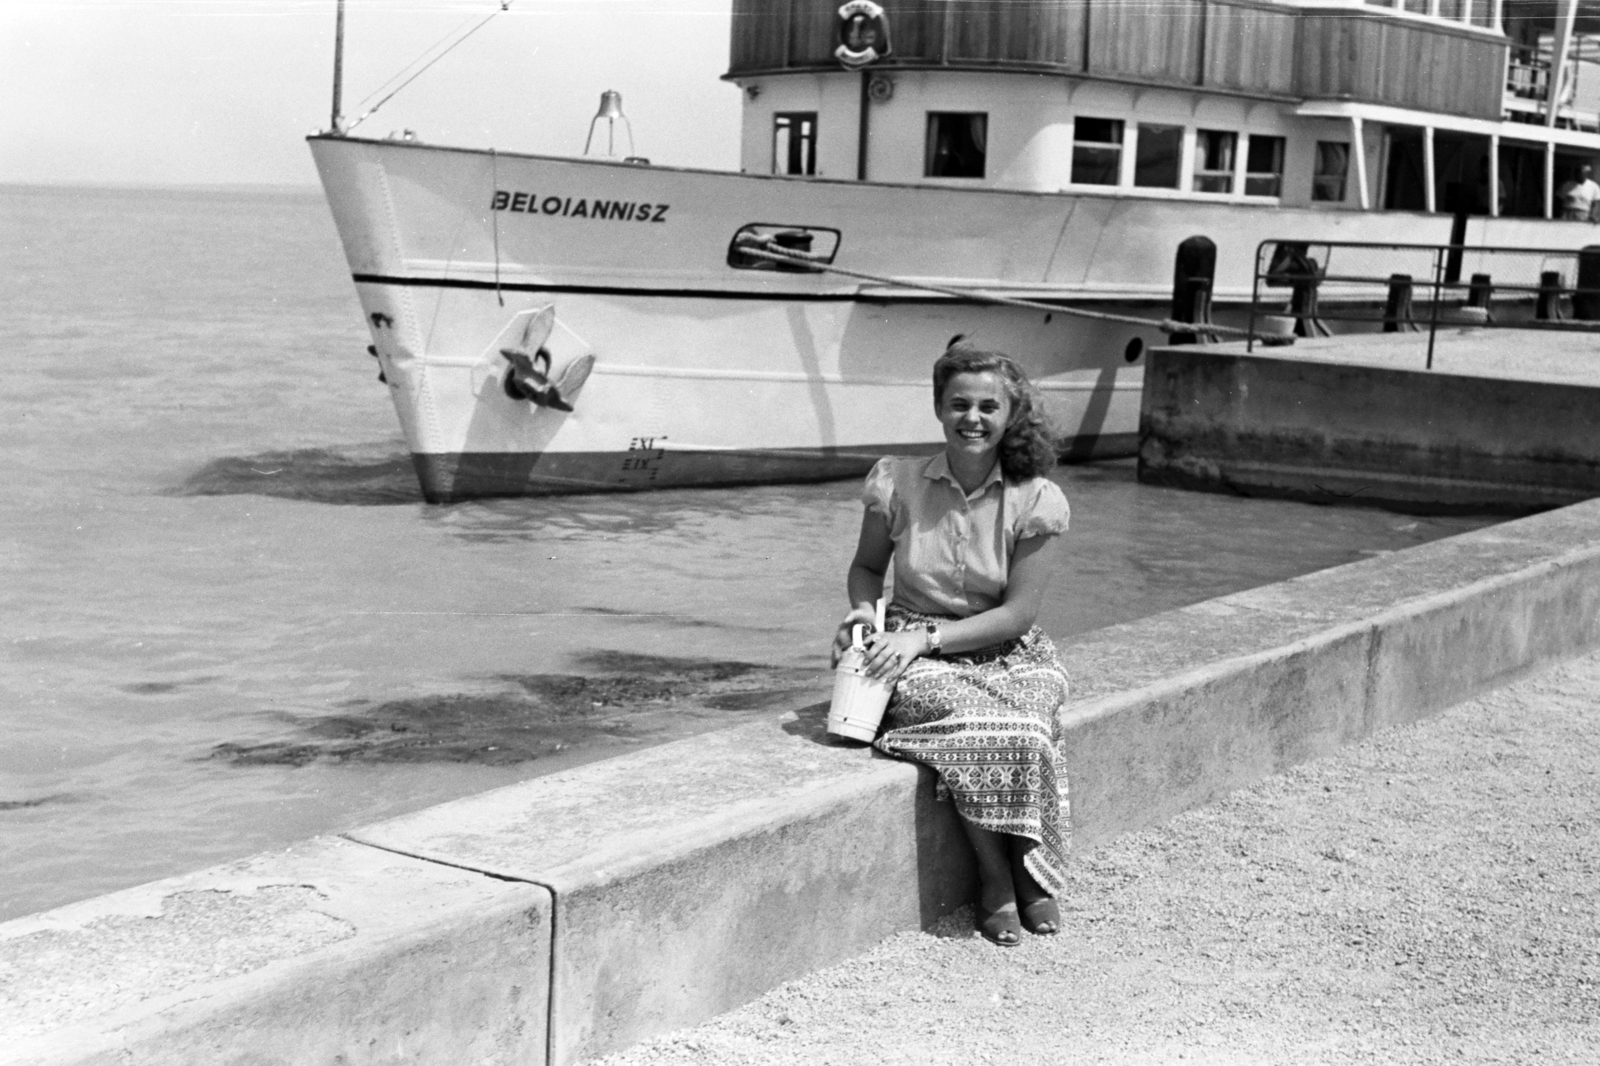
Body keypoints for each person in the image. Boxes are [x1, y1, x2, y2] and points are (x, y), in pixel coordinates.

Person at [832, 345, 1072, 948]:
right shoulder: (897, 481)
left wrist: (929, 638)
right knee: (978, 724)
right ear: (938, 408)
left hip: (1004, 646)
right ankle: (998, 878)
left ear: (1009, 414)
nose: (973, 417)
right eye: (959, 403)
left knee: (1029, 723)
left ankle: (1027, 867)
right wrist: (867, 612)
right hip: (912, 642)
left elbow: (1018, 614)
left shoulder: (1037, 497)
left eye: (989, 406)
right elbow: (866, 568)